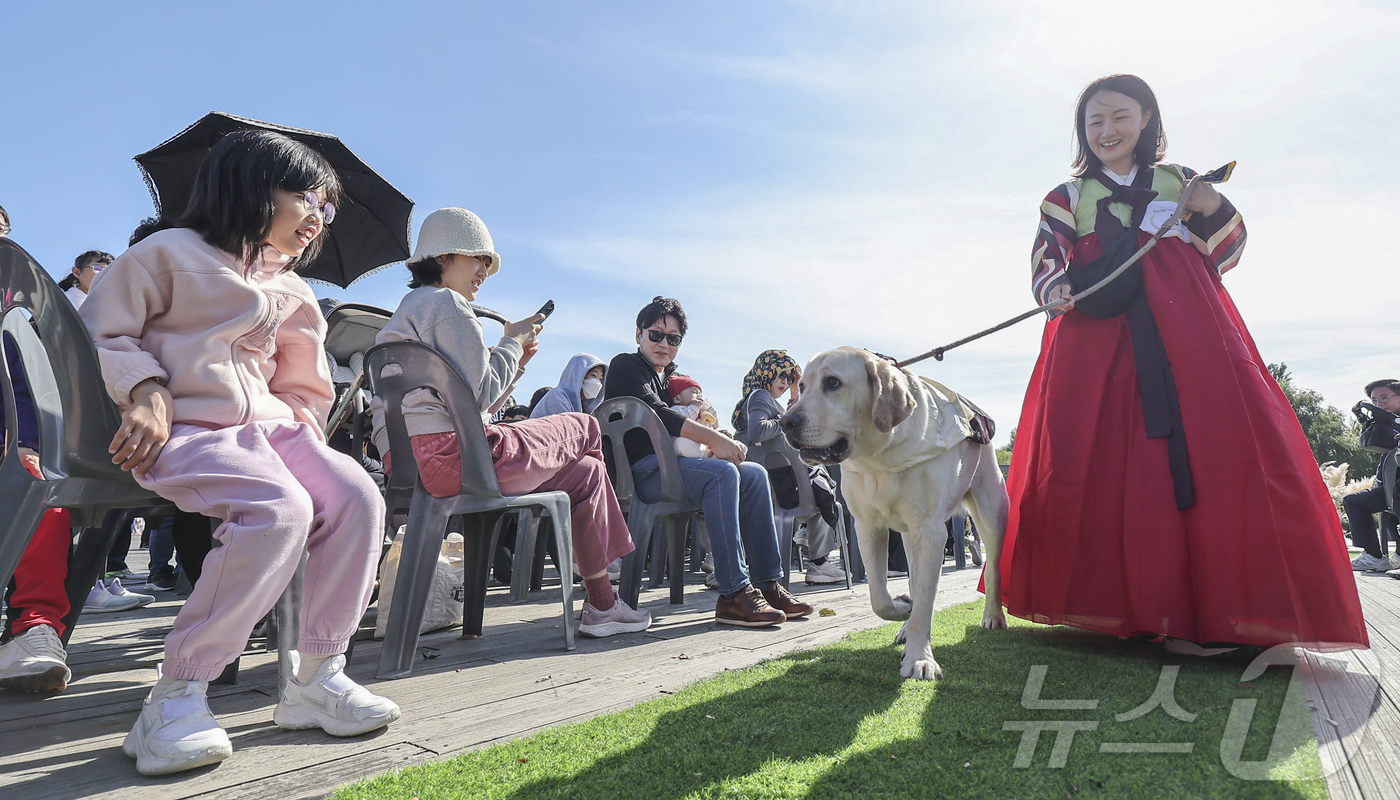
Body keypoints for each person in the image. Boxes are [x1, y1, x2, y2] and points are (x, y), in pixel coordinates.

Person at [997, 74, 1367, 651]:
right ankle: (1123, 609)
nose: (1107, 131)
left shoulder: (1181, 181)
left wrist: (1212, 203)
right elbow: (1047, 262)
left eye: (1119, 116)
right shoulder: (1065, 198)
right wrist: (1054, 291)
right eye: (1094, 122)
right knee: (1098, 454)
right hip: (1098, 342)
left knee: (1217, 447)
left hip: (1189, 335)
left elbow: (1228, 251)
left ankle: (1216, 611)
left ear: (1146, 118)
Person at [80, 130, 400, 776]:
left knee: (359, 495)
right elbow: (101, 329)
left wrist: (307, 443)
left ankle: (318, 675)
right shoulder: (167, 253)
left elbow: (304, 389)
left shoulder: (296, 293)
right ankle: (175, 695)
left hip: (276, 434)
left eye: (328, 209)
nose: (318, 218)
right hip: (188, 429)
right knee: (278, 510)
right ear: (249, 185)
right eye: (306, 197)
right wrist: (145, 389)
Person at [368, 207, 649, 639]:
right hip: (460, 456)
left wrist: (515, 363)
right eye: (476, 258)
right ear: (444, 255)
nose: (484, 270)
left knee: (589, 472)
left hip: (416, 463)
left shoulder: (406, 313)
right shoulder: (449, 306)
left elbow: (467, 403)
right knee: (588, 429)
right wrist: (511, 342)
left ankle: (602, 602)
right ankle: (600, 573)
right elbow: (479, 397)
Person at [604, 297, 813, 626]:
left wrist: (717, 438)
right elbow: (656, 415)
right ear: (639, 334)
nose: (664, 343)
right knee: (723, 475)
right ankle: (733, 593)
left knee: (755, 474)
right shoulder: (625, 366)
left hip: (677, 469)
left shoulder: (670, 378)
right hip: (643, 473)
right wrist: (713, 440)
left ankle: (768, 583)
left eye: (673, 338)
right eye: (656, 334)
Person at [1346, 379, 1400, 572]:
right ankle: (1373, 556)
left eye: (1384, 398)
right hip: (1387, 489)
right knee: (1354, 501)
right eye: (1375, 401)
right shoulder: (1384, 425)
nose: (1379, 404)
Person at [530, 353, 606, 418]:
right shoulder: (558, 396)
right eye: (593, 375)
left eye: (600, 379)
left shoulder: (583, 407)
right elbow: (570, 429)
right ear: (578, 375)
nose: (597, 383)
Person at [667, 374, 718, 458]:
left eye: (700, 395)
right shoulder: (675, 409)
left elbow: (710, 428)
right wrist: (694, 407)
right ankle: (708, 456)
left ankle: (713, 453)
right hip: (678, 444)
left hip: (699, 443)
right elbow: (682, 420)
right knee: (682, 443)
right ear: (677, 399)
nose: (698, 396)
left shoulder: (701, 413)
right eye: (694, 392)